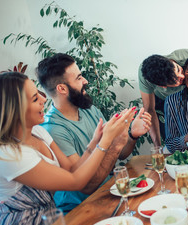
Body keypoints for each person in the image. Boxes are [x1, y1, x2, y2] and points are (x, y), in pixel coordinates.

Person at [0, 72, 135, 225]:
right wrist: (106, 141)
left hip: (51, 223)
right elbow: (76, 181)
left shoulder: (38, 132)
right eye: (35, 99)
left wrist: (95, 141)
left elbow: (72, 169)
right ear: (14, 110)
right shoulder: (9, 154)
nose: (44, 100)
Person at [37, 53, 151, 213]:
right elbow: (87, 186)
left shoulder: (89, 109)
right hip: (79, 209)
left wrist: (132, 135)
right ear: (61, 88)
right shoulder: (53, 129)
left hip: (108, 191)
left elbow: (118, 154)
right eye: (78, 78)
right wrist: (116, 145)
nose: (85, 81)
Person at [139, 49, 188, 147]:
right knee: (171, 137)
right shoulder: (148, 79)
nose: (182, 76)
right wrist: (158, 148)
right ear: (164, 86)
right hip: (162, 100)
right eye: (176, 80)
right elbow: (149, 109)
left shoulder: (187, 57)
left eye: (179, 70)